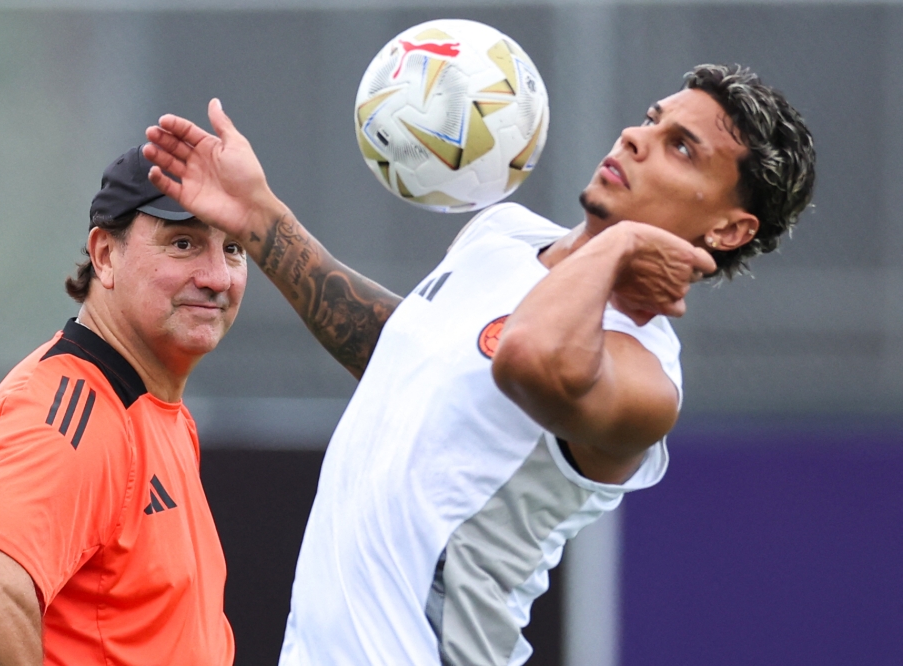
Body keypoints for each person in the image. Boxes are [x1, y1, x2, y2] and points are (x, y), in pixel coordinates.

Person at [142, 63, 815, 665]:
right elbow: (403, 356)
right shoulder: (504, 234)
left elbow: (525, 358)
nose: (636, 138)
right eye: (651, 119)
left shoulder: (645, 382)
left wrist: (622, 246)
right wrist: (257, 216)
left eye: (681, 148)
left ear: (728, 230)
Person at [0, 147, 245, 665]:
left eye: (234, 247)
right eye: (184, 242)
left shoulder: (152, 407)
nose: (217, 276)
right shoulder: (70, 417)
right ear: (105, 255)